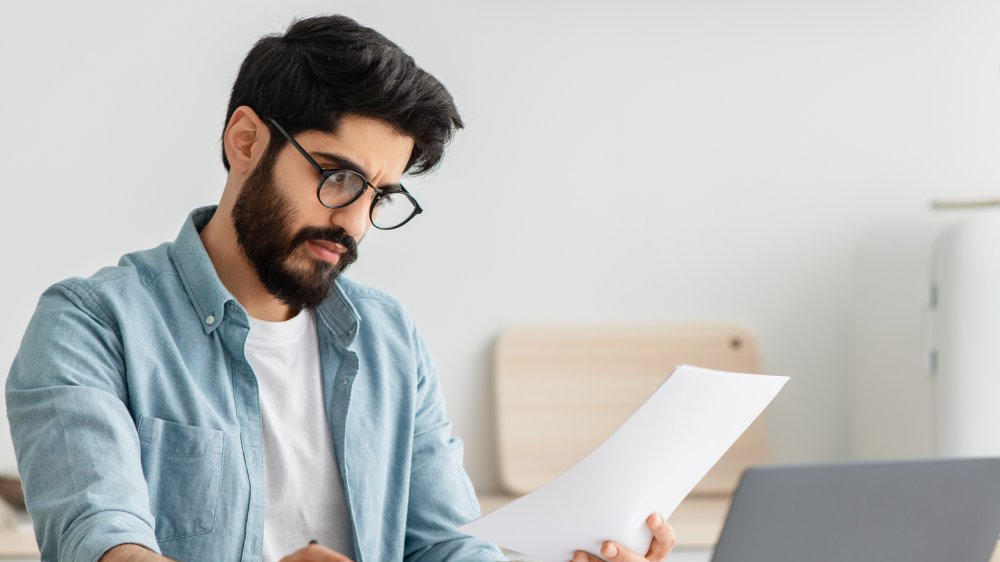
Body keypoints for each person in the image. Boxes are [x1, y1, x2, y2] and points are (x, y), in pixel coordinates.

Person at [5, 14, 677, 562]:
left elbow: (445, 548)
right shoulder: (91, 326)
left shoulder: (390, 338)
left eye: (380, 195)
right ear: (245, 142)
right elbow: (104, 547)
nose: (354, 220)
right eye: (338, 176)